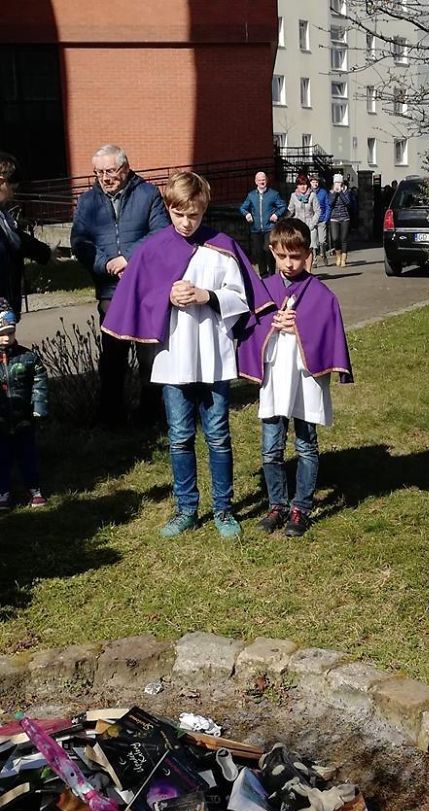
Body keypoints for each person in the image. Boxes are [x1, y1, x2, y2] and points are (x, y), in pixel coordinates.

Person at [101, 171, 274, 539]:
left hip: (213, 356)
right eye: (179, 214)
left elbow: (242, 297)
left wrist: (206, 297)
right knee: (179, 436)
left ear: (204, 210)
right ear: (169, 208)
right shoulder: (152, 248)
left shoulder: (222, 246)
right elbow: (139, 296)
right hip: (174, 357)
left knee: (218, 435)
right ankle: (186, 508)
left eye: (193, 215)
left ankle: (224, 509)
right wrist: (166, 295)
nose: (186, 222)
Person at [236, 219, 353, 538]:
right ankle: (277, 504)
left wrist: (299, 326)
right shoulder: (264, 289)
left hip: (305, 379)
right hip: (275, 378)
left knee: (306, 445)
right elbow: (250, 326)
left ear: (308, 255)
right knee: (271, 449)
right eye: (283, 256)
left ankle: (301, 506)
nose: (290, 263)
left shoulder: (320, 294)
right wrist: (272, 324)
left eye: (297, 256)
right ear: (272, 251)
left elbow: (328, 330)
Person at [71, 144, 170, 427]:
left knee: (149, 355)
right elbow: (79, 241)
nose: (105, 177)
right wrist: (106, 264)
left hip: (146, 287)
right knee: (113, 356)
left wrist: (129, 259)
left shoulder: (148, 194)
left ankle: (151, 415)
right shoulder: (88, 201)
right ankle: (111, 416)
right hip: (111, 291)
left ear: (125, 168)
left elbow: (161, 232)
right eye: (99, 172)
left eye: (111, 170)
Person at [0, 299, 49, 509]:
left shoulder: (28, 358)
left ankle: (34, 487)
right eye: (1, 333)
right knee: (2, 458)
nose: (5, 338)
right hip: (0, 421)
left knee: (27, 455)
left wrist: (39, 407)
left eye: (9, 332)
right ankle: (3, 491)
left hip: (24, 419)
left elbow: (40, 382)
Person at [0, 152, 52, 317]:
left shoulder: (3, 216)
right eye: (12, 188)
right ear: (1, 181)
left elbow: (17, 239)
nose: (13, 194)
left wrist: (45, 252)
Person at [240, 171, 287, 277]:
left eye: (263, 180)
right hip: (256, 228)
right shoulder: (251, 195)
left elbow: (283, 206)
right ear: (256, 182)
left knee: (268, 249)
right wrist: (247, 214)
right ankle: (263, 275)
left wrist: (276, 214)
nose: (262, 182)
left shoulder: (273, 194)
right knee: (259, 252)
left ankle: (272, 273)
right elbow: (243, 207)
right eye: (260, 180)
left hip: (269, 227)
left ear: (267, 180)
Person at [286, 175, 320, 272]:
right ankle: (300, 269)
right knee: (298, 248)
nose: (303, 187)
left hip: (310, 225)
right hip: (298, 227)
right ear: (297, 186)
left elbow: (318, 211)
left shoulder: (312, 195)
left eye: (305, 184)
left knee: (309, 249)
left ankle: (308, 271)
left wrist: (313, 223)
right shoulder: (293, 196)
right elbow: (290, 211)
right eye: (300, 184)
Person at [328, 174, 353, 267]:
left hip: (345, 217)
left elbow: (348, 202)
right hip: (334, 218)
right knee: (335, 238)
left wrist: (341, 193)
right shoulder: (331, 192)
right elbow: (330, 203)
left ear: (342, 182)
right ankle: (338, 255)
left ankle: (343, 259)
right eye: (336, 182)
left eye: (339, 182)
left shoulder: (346, 191)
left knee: (344, 239)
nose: (338, 184)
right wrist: (335, 193)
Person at [309, 175, 330, 266]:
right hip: (312, 221)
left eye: (316, 182)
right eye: (313, 182)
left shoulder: (323, 192)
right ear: (310, 183)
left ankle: (323, 254)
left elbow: (328, 205)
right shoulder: (307, 193)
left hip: (321, 220)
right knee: (313, 242)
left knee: (322, 241)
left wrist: (326, 218)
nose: (315, 184)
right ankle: (314, 260)